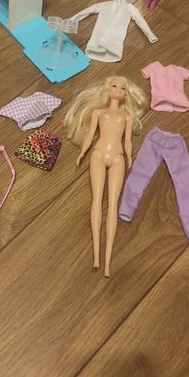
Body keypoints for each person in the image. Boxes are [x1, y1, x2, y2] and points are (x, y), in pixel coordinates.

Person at [64, 76, 147, 277]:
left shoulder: (126, 119)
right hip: (99, 153)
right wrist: (82, 152)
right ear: (107, 89)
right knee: (97, 199)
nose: (119, 90)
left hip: (118, 157)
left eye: (123, 88)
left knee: (112, 205)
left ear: (127, 94)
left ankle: (107, 261)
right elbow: (90, 134)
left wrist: (129, 156)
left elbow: (128, 141)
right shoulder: (98, 113)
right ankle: (96, 256)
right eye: (115, 86)